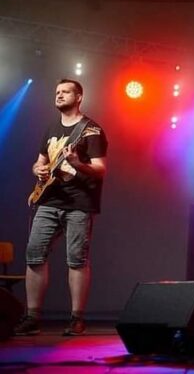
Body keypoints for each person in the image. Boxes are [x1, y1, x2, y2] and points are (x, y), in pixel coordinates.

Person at [14, 79, 108, 337]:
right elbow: (39, 162)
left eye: (65, 92)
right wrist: (38, 170)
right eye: (57, 92)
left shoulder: (91, 130)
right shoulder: (51, 128)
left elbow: (101, 169)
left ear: (79, 97)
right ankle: (32, 317)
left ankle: (77, 319)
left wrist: (77, 163)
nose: (59, 95)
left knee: (76, 259)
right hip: (48, 201)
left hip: (79, 203)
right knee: (34, 255)